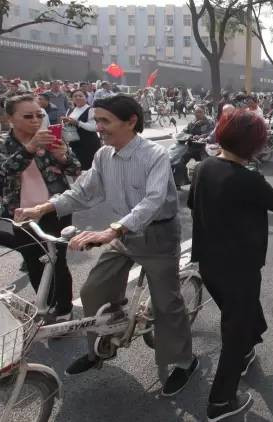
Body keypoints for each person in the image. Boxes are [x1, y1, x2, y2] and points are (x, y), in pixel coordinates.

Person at [15, 94, 197, 396]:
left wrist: (112, 230)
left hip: (157, 238)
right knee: (92, 291)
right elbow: (84, 192)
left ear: (131, 122)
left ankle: (183, 362)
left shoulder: (154, 154)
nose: (97, 127)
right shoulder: (103, 155)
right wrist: (44, 208)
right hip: (123, 236)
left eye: (104, 121)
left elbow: (153, 202)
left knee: (167, 304)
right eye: (96, 120)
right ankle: (101, 348)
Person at [188, 110, 273, 420]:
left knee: (238, 312)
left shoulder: (202, 168)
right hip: (240, 267)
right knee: (233, 333)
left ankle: (248, 349)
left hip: (209, 262)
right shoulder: (248, 178)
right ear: (254, 144)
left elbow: (192, 205)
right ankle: (220, 402)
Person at [0, 94, 81, 320]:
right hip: (21, 214)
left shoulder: (51, 139)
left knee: (58, 261)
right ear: (10, 119)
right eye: (28, 116)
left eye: (39, 114)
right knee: (34, 262)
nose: (36, 120)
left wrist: (63, 156)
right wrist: (30, 148)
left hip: (54, 210)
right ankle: (45, 304)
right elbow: (5, 171)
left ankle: (64, 309)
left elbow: (75, 169)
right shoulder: (4, 146)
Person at [61, 89, 101, 170]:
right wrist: (65, 122)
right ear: (72, 99)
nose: (78, 98)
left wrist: (78, 123)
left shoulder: (91, 110)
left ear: (86, 98)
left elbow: (95, 128)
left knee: (89, 168)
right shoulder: (70, 110)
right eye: (75, 96)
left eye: (80, 96)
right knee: (79, 168)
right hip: (75, 143)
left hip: (89, 143)